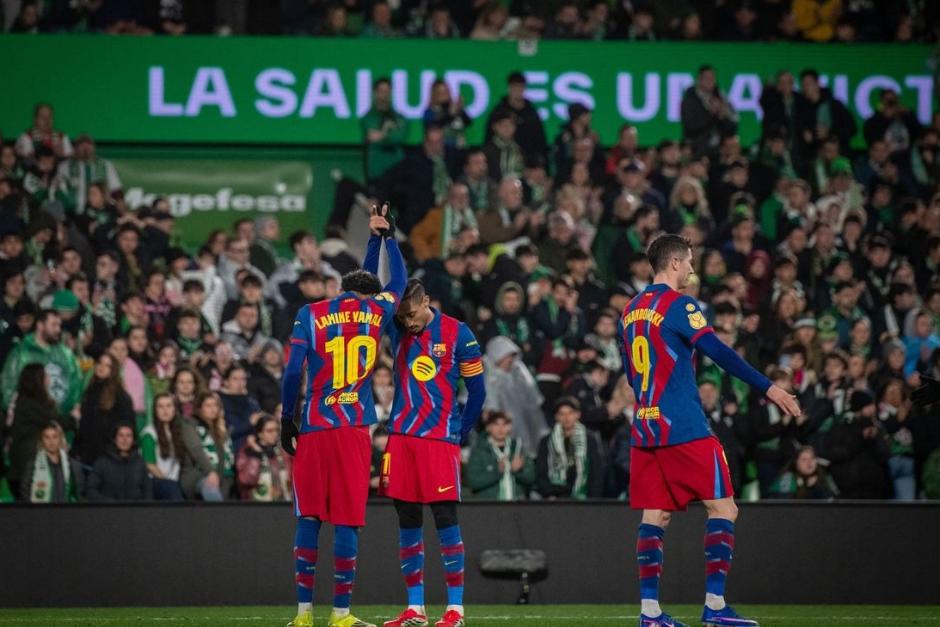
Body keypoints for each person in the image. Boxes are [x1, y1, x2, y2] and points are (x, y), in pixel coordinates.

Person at [620, 234, 801, 627]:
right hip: (683, 424)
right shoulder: (681, 305)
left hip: (646, 426)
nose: (690, 269)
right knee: (724, 508)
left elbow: (631, 373)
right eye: (687, 261)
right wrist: (770, 388)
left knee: (656, 516)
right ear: (672, 264)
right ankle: (715, 606)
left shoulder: (630, 310)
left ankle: (650, 614)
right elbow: (718, 352)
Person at [280, 203, 406, 627]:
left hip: (315, 425)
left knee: (309, 515)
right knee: (347, 519)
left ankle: (302, 615)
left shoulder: (310, 313)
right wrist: (385, 238)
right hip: (353, 427)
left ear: (340, 288)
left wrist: (286, 420)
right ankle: (341, 613)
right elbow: (398, 282)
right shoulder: (377, 311)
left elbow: (293, 370)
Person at [362, 277, 485, 627]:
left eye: (412, 314)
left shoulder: (460, 334)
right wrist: (383, 238)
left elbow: (477, 392)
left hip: (438, 441)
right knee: (408, 521)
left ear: (427, 300)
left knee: (446, 520)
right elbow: (373, 291)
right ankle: (415, 609)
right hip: (400, 439)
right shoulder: (398, 329)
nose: (408, 322)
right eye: (401, 317)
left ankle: (455, 610)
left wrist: (459, 431)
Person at [0, 309, 82, 417]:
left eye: (59, 325)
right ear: (40, 325)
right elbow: (8, 387)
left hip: (60, 423)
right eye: (53, 325)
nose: (58, 330)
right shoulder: (20, 353)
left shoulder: (66, 354)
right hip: (29, 424)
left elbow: (76, 385)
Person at [8, 364, 74, 495]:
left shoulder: (25, 401)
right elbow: (55, 420)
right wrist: (74, 419)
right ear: (39, 380)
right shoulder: (30, 403)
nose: (49, 378)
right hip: (28, 465)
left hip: (25, 463)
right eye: (45, 375)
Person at [535, 396, 604, 499]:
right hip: (554, 498)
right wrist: (549, 494)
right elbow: (541, 472)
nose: (566, 418)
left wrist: (592, 500)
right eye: (562, 414)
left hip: (584, 498)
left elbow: (596, 472)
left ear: (578, 415)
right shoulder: (546, 441)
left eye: (570, 413)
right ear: (556, 417)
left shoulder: (590, 439)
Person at [74, 352, 135, 467]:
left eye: (107, 365)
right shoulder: (90, 391)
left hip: (110, 458)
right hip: (87, 456)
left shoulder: (121, 396)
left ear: (114, 370)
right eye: (100, 363)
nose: (102, 367)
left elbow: (128, 426)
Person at [465, 411, 535, 500]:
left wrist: (519, 471)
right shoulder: (480, 451)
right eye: (496, 424)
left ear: (510, 427)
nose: (500, 428)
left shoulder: (518, 448)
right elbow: (473, 481)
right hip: (489, 507)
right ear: (488, 427)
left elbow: (532, 479)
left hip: (517, 506)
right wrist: (497, 471)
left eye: (505, 424)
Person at [179, 392, 234, 501]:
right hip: (197, 475)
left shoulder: (220, 427)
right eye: (208, 406)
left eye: (215, 405)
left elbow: (227, 457)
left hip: (222, 477)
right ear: (199, 408)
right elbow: (197, 451)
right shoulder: (189, 425)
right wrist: (210, 472)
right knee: (210, 488)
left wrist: (223, 432)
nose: (213, 409)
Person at [85, 423, 152, 501]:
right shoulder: (101, 463)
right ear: (114, 439)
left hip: (135, 511)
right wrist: (109, 503)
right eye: (121, 435)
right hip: (108, 511)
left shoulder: (140, 463)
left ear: (133, 440)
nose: (125, 439)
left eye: (128, 436)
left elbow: (148, 493)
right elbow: (90, 491)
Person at [20, 422, 83, 503]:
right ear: (42, 440)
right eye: (47, 437)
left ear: (60, 439)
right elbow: (25, 492)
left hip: (66, 513)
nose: (51, 441)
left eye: (55, 437)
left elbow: (79, 493)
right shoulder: (33, 464)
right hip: (39, 513)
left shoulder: (72, 465)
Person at [139, 392, 184, 501]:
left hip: (173, 481)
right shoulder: (149, 433)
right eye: (160, 406)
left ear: (174, 409)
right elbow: (150, 465)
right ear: (155, 410)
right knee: (171, 489)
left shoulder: (177, 432)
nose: (165, 410)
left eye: (169, 406)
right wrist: (167, 481)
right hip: (154, 481)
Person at [236, 414, 292, 501]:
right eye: (269, 431)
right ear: (260, 433)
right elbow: (246, 480)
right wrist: (256, 455)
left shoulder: (283, 452)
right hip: (258, 507)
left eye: (276, 430)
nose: (275, 434)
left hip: (284, 504)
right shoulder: (248, 451)